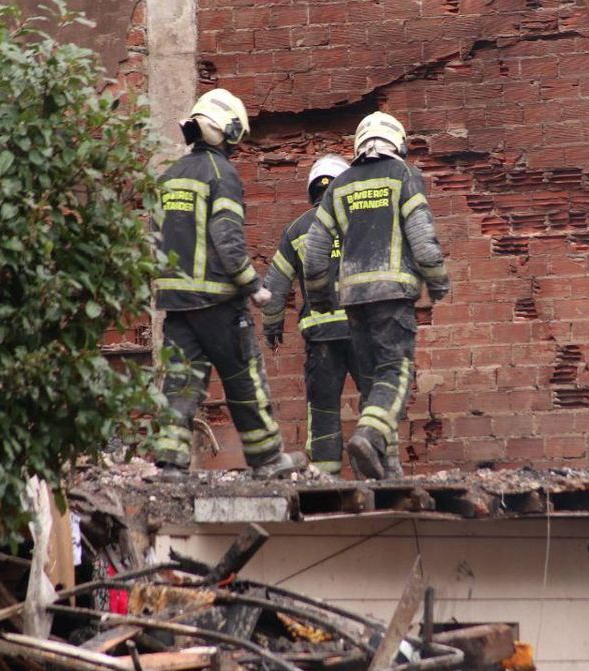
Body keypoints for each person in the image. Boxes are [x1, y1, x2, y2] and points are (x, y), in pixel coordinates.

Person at [151, 88, 306, 478]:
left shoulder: (168, 177)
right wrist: (253, 286)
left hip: (178, 304)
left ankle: (170, 465)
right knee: (244, 381)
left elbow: (154, 236)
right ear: (229, 131)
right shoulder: (223, 174)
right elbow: (227, 237)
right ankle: (268, 460)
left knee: (181, 385)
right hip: (219, 304)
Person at [302, 112, 450, 479]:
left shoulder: (340, 185)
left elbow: (315, 254)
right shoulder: (403, 176)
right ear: (396, 143)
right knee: (396, 373)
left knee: (374, 383)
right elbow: (423, 241)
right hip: (392, 295)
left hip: (352, 300)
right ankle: (368, 436)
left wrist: (320, 298)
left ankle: (387, 470)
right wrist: (439, 282)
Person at [262, 154, 362, 477]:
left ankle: (325, 477)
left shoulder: (298, 229)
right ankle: (382, 473)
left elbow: (275, 283)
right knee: (376, 401)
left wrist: (272, 324)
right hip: (363, 331)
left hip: (321, 338)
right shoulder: (360, 220)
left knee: (322, 410)